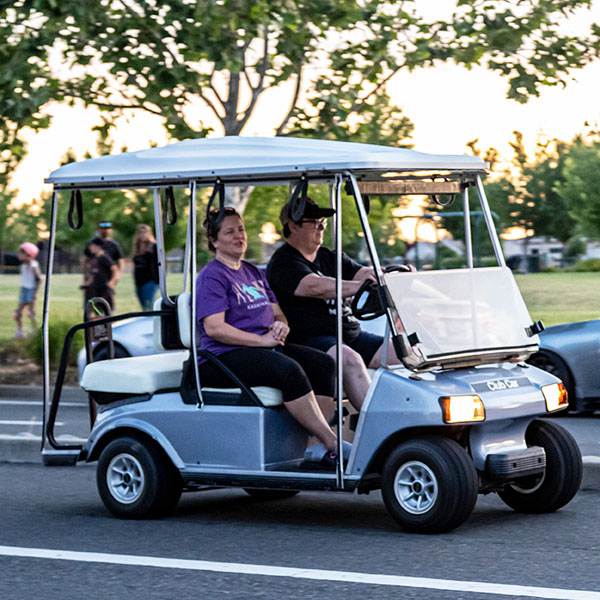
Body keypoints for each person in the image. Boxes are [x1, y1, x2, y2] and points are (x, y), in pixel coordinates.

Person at [196, 207, 343, 463]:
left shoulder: (252, 272)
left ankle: (313, 447)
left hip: (262, 347)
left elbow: (277, 313)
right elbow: (215, 328)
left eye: (240, 229)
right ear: (214, 240)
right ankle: (332, 442)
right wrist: (262, 341)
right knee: (289, 370)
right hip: (222, 356)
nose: (238, 236)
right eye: (229, 232)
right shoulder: (212, 276)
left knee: (323, 364)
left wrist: (281, 326)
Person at [267, 197, 402, 411]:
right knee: (349, 359)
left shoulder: (328, 256)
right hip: (310, 341)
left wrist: (390, 276)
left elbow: (363, 273)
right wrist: (360, 286)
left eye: (323, 221)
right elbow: (316, 286)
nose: (321, 226)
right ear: (293, 226)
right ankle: (380, 427)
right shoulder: (283, 263)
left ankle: (419, 418)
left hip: (350, 335)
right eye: (314, 221)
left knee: (407, 352)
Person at [81, 237, 119, 314]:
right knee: (95, 310)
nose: (90, 248)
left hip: (104, 288)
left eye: (92, 246)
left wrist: (112, 282)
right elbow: (93, 274)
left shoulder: (104, 258)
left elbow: (115, 269)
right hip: (95, 288)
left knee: (107, 310)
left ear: (98, 247)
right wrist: (87, 283)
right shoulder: (94, 258)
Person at [14, 242, 42, 339]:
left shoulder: (34, 265)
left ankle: (34, 332)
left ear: (29, 255)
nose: (19, 254)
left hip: (31, 290)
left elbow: (39, 279)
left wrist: (35, 294)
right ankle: (19, 332)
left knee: (31, 313)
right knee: (18, 313)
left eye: (22, 253)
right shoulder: (23, 265)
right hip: (24, 289)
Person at [132, 224, 159, 310]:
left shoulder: (154, 246)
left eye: (145, 232)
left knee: (149, 306)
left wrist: (156, 279)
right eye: (140, 232)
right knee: (144, 306)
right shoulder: (137, 247)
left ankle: (151, 322)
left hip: (150, 281)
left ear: (149, 233)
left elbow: (160, 264)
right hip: (139, 281)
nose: (143, 234)